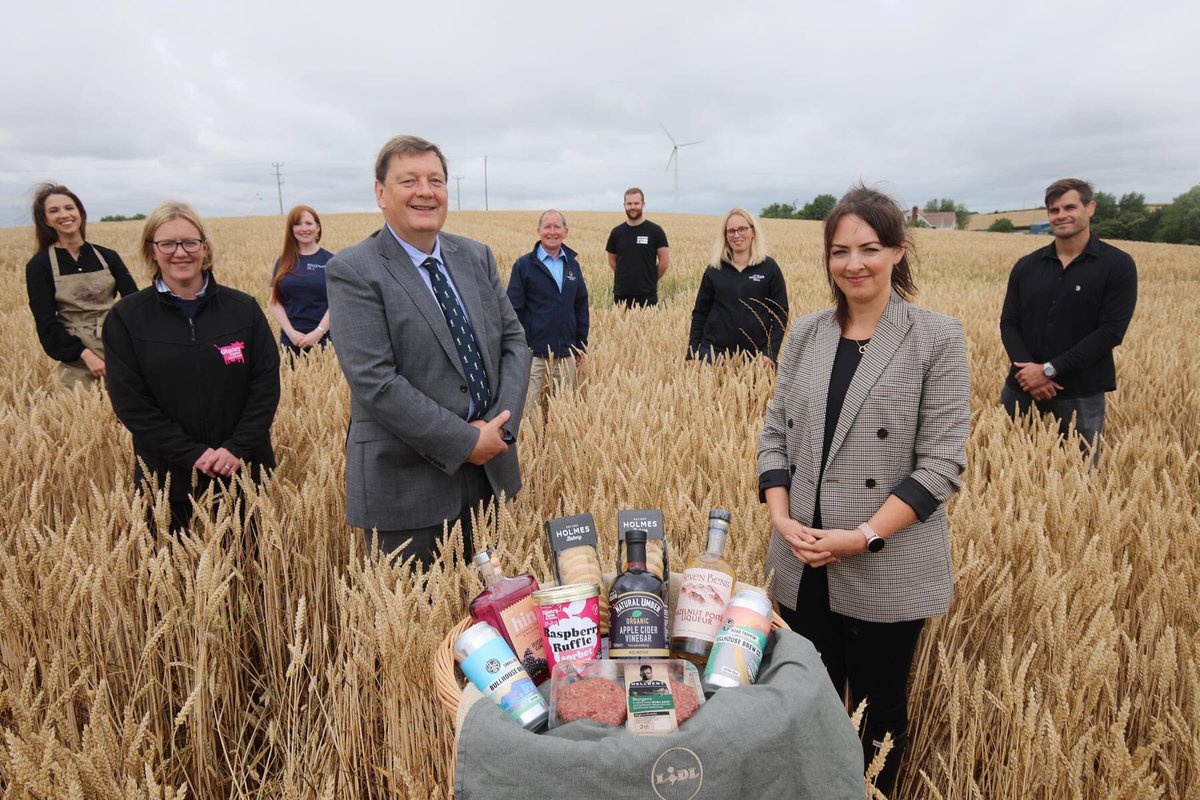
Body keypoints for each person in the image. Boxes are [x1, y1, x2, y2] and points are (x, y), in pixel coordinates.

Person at [756, 185, 970, 794]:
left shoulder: (936, 337)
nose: (854, 263)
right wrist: (780, 516)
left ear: (898, 252)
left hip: (885, 562)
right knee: (803, 706)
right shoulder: (805, 334)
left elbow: (939, 465)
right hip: (802, 560)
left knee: (878, 717)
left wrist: (863, 536)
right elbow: (775, 435)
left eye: (870, 248)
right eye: (840, 250)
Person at [325, 135, 530, 567]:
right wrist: (465, 440)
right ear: (380, 192)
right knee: (417, 631)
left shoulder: (475, 256)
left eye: (436, 180)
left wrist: (497, 431)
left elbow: (515, 342)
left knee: (496, 623)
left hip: (490, 474)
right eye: (409, 180)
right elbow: (376, 382)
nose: (425, 191)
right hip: (408, 490)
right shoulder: (353, 270)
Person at [103, 201, 281, 534]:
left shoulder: (242, 309)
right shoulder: (127, 317)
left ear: (205, 248)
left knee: (253, 571)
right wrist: (193, 454)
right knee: (171, 575)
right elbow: (131, 403)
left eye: (189, 242)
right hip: (167, 477)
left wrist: (234, 449)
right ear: (151, 251)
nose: (179, 252)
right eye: (167, 244)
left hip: (242, 469)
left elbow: (265, 385)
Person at [999, 178, 1137, 458]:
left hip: (1081, 394)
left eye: (1069, 207)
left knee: (1080, 476)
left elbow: (1110, 332)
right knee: (1004, 467)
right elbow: (1009, 323)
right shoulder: (1027, 266)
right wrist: (1029, 373)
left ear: (1090, 208)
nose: (1061, 215)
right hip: (1021, 388)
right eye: (1054, 210)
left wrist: (1049, 370)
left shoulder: (1117, 265)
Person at [25, 182, 138, 388]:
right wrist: (86, 355)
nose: (64, 214)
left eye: (69, 208)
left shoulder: (107, 256)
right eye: (54, 210)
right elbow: (46, 323)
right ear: (46, 220)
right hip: (76, 357)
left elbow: (134, 304)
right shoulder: (40, 265)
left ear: (80, 213)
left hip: (118, 348)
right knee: (78, 414)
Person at [506, 209, 589, 419]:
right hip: (534, 354)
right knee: (529, 411)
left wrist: (580, 344)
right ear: (539, 231)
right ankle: (533, 451)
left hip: (565, 352)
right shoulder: (524, 265)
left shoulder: (572, 266)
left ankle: (555, 448)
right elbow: (512, 310)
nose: (552, 232)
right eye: (547, 227)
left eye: (557, 227)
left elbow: (581, 305)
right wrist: (519, 347)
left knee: (562, 412)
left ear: (565, 232)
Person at [687, 207, 789, 365]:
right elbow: (700, 312)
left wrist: (770, 352)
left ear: (753, 232)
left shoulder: (769, 267)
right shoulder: (715, 268)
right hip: (713, 353)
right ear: (725, 236)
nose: (737, 235)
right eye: (731, 231)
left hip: (756, 356)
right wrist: (692, 352)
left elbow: (780, 313)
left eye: (742, 229)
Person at [268, 205, 334, 356]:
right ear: (291, 229)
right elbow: (274, 301)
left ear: (317, 227)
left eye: (309, 223)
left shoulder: (331, 261)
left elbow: (337, 302)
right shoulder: (283, 261)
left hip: (325, 341)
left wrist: (318, 333)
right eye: (297, 224)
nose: (303, 228)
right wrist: (291, 333)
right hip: (290, 341)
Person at [606, 188, 670, 307]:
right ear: (624, 205)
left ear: (643, 204)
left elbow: (665, 262)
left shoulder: (655, 231)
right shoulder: (617, 232)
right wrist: (625, 276)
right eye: (629, 204)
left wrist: (650, 279)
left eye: (636, 203)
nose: (633, 207)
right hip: (621, 294)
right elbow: (611, 260)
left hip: (647, 295)